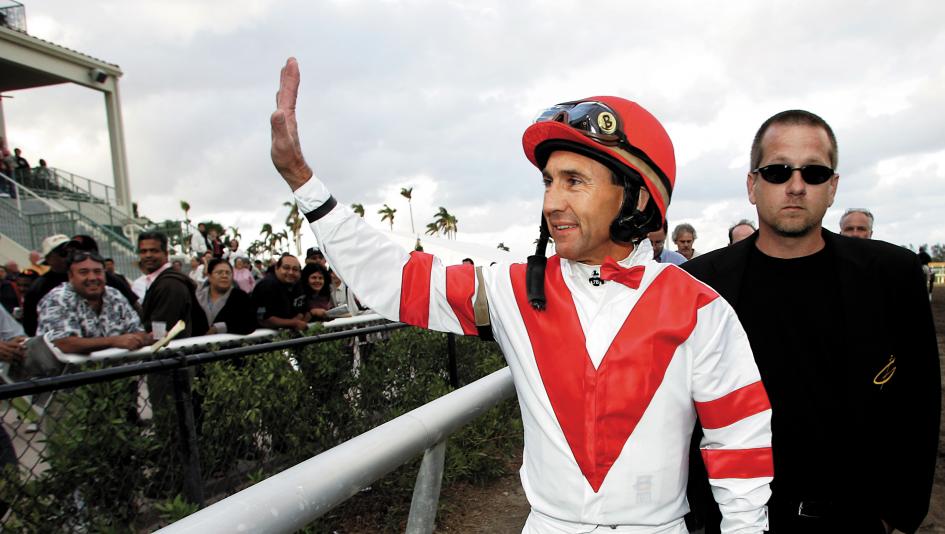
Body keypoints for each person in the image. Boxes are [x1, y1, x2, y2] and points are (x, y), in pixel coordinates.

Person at [270, 58, 772, 533]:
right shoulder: (510, 290)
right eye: (549, 182)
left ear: (637, 197)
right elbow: (395, 278)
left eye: (574, 182)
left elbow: (739, 446)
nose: (552, 202)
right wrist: (302, 179)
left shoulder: (702, 309)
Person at [683, 110, 940, 534]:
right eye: (778, 171)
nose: (796, 186)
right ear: (752, 185)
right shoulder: (701, 283)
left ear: (832, 187)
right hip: (735, 519)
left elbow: (919, 399)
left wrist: (895, 513)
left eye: (814, 173)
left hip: (853, 519)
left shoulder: (891, 275)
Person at [36, 251, 151, 354]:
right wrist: (113, 341)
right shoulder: (57, 299)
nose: (92, 277)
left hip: (121, 369)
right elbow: (63, 343)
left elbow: (137, 332)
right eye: (84, 272)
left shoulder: (114, 295)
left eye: (97, 272)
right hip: (69, 371)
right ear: (70, 276)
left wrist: (142, 338)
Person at [138, 231, 208, 339]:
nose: (148, 255)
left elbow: (161, 333)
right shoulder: (161, 280)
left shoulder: (170, 285)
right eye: (143, 251)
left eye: (154, 251)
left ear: (166, 254)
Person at [196, 259, 256, 335]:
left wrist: (221, 327)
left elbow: (250, 323)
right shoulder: (198, 297)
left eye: (228, 273)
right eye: (219, 272)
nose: (224, 276)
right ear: (209, 276)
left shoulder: (240, 297)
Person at [251, 254, 309, 331]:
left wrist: (299, 317)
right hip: (264, 335)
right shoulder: (267, 285)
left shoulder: (298, 284)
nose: (291, 272)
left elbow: (304, 308)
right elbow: (263, 319)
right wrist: (293, 323)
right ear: (276, 268)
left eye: (295, 269)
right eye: (286, 268)